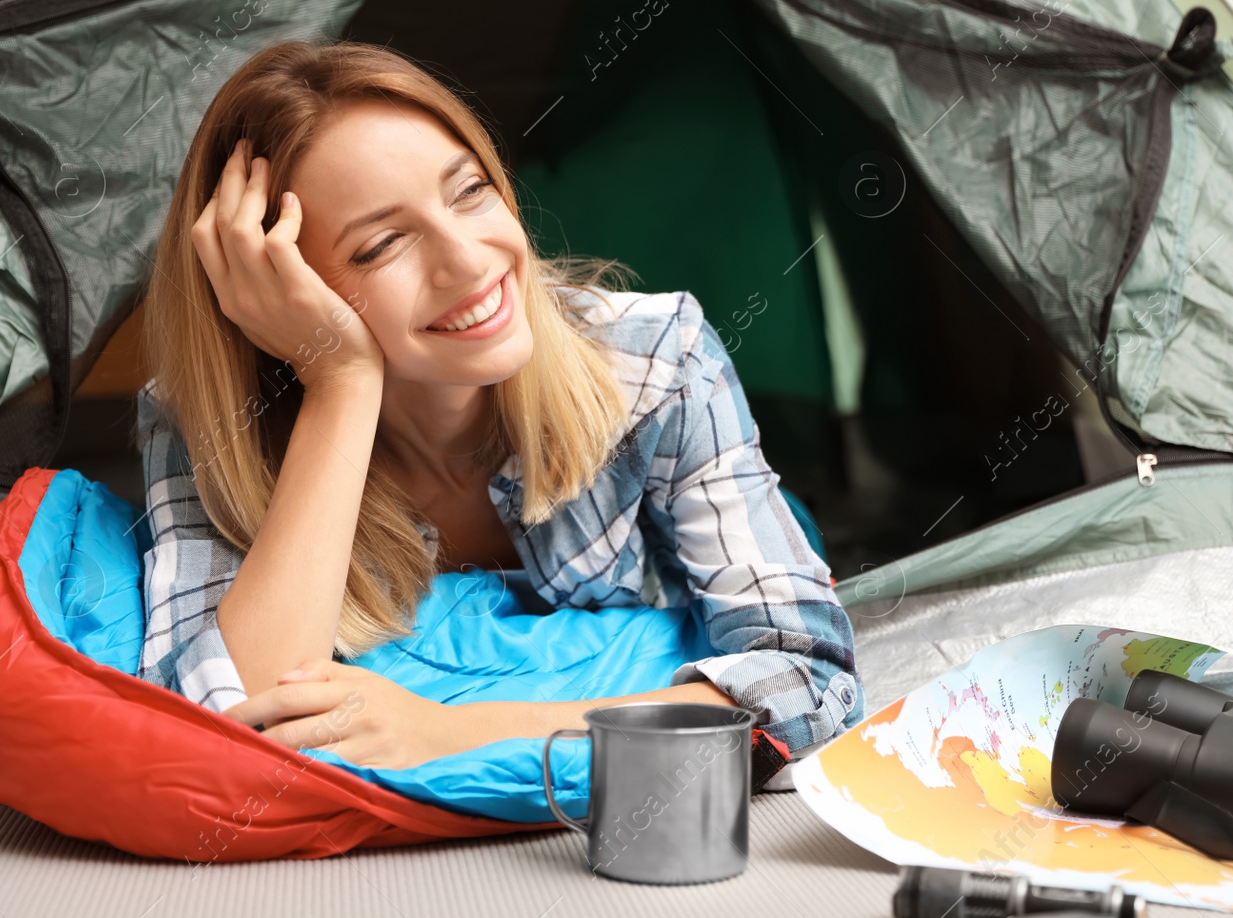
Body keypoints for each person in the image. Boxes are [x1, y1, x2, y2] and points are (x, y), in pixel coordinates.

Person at [135, 39, 863, 773]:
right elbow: (222, 730)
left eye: (469, 190)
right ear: (273, 286)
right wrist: (340, 382)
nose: (470, 259)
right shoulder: (209, 421)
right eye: (382, 243)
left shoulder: (659, 359)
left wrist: (456, 730)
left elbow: (812, 681)